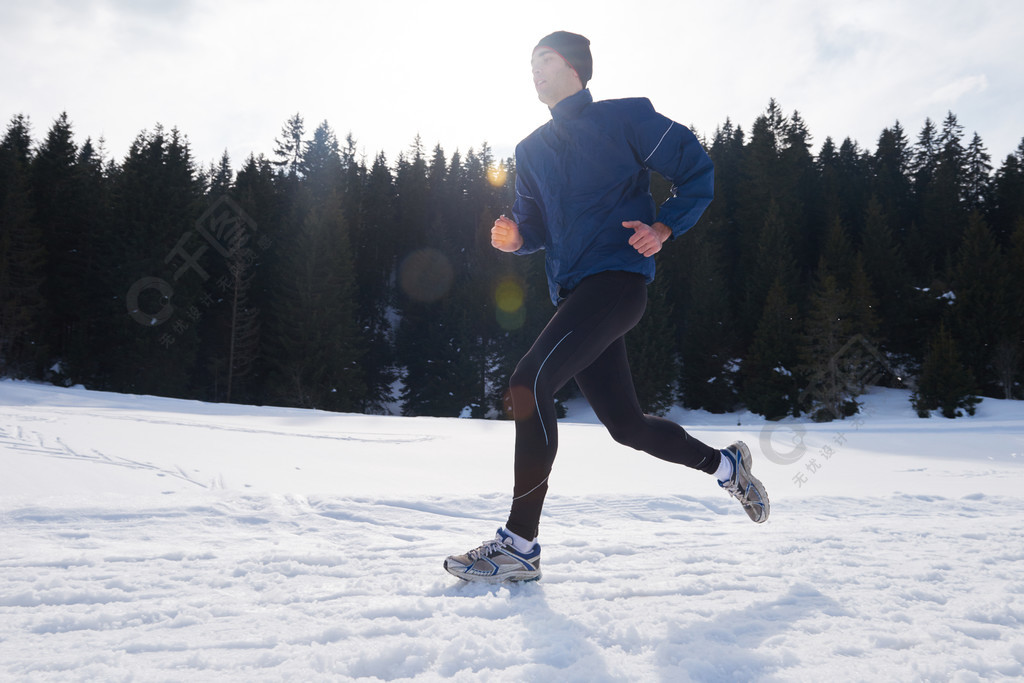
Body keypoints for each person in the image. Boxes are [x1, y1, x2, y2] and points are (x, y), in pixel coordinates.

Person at [444, 31, 769, 584]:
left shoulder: (626, 118)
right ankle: (727, 465)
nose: (534, 72)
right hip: (577, 295)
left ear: (574, 67)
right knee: (626, 426)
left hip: (617, 282)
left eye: (543, 61)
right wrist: (514, 236)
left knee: (529, 383)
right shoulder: (530, 150)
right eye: (530, 64)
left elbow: (697, 170)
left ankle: (519, 545)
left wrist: (666, 225)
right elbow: (536, 226)